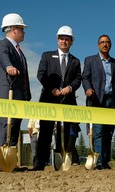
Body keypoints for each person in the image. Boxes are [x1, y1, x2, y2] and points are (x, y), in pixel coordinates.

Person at [34, 26, 82, 171]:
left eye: (67, 39)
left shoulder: (75, 61)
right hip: (49, 98)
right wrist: (52, 89)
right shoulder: (47, 56)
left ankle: (61, 163)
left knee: (66, 132)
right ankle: (39, 163)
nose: (64, 41)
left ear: (72, 42)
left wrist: (70, 88)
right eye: (61, 38)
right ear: (57, 40)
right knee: (45, 132)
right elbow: (41, 74)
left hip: (68, 100)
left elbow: (78, 78)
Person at [0, 13, 31, 171]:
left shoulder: (20, 52)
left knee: (14, 127)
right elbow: (3, 56)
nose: (24, 32)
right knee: (5, 125)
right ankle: (0, 163)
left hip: (18, 95)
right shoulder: (3, 44)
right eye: (22, 29)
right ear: (14, 29)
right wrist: (8, 67)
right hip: (6, 92)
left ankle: (10, 162)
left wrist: (26, 94)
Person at [82, 35, 115, 170]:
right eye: (102, 42)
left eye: (107, 42)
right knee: (98, 131)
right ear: (98, 45)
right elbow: (85, 78)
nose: (105, 44)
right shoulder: (90, 60)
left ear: (110, 45)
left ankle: (105, 160)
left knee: (109, 132)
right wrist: (88, 89)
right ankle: (98, 162)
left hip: (112, 101)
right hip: (97, 100)